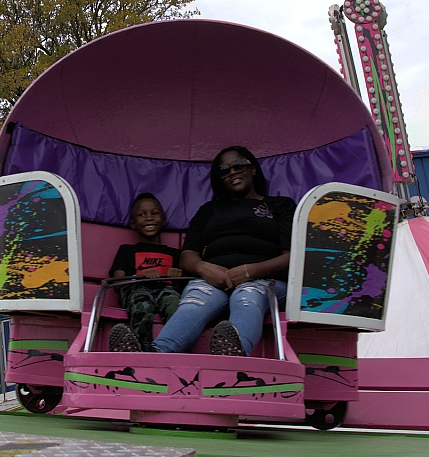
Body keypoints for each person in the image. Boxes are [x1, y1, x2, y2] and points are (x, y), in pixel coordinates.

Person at [111, 146, 294, 356]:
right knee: (195, 301)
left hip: (264, 281)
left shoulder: (280, 206)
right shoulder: (209, 211)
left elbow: (291, 258)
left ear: (252, 168)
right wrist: (205, 269)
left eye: (238, 165)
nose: (232, 172)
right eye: (224, 170)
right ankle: (153, 355)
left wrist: (249, 272)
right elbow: (188, 256)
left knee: (247, 295)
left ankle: (234, 357)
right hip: (213, 280)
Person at [106, 193, 183, 352]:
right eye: (142, 215)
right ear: (133, 224)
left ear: (163, 221)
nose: (149, 218)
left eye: (154, 214)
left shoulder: (175, 254)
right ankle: (142, 348)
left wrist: (178, 277)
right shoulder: (127, 250)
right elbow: (118, 284)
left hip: (165, 290)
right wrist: (140, 278)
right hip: (137, 289)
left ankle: (175, 349)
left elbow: (184, 285)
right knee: (143, 301)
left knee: (174, 302)